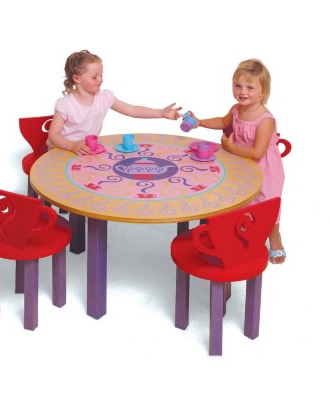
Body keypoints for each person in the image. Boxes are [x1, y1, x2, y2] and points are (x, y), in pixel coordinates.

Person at [190, 59, 286, 264]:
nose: (242, 92)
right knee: (241, 200)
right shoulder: (236, 109)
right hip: (243, 166)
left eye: (250, 88)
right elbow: (222, 122)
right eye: (238, 85)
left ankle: (274, 237)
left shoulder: (265, 119)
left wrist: (229, 147)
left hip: (265, 169)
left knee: (266, 204)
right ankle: (242, 232)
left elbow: (257, 153)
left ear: (262, 92)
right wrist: (200, 122)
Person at [48, 50, 181, 155]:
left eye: (101, 75)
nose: (100, 80)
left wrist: (160, 113)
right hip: (61, 150)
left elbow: (133, 110)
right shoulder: (65, 104)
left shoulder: (104, 97)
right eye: (94, 77)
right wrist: (72, 146)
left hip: (86, 150)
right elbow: (53, 135)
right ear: (77, 79)